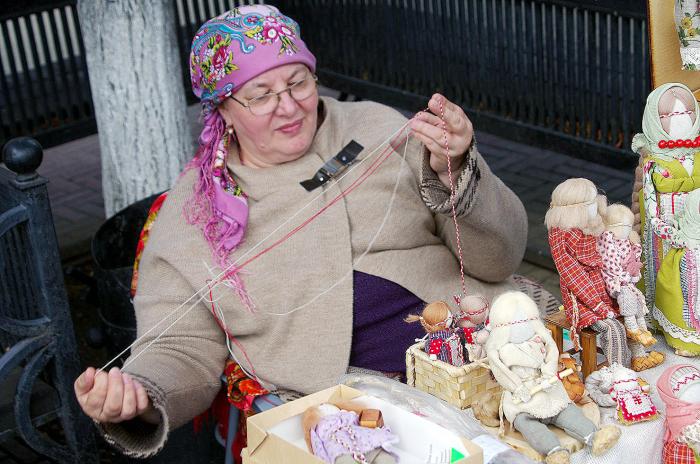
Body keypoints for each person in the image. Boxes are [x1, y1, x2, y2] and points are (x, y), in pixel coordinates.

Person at [73, 5, 530, 457]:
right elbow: (180, 345)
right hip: (353, 405)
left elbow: (499, 258)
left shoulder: (377, 126)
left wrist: (457, 175)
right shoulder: (196, 213)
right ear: (223, 109)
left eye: (298, 83)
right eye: (261, 94)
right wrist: (139, 396)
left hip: (486, 346)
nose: (289, 107)